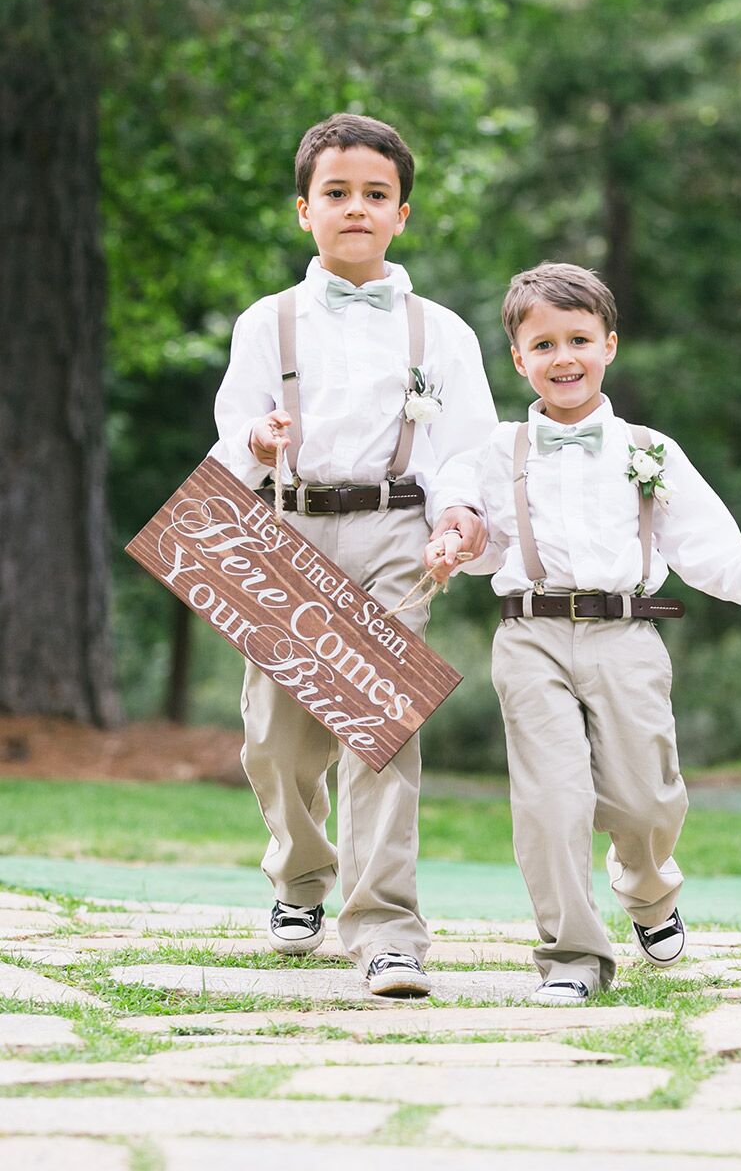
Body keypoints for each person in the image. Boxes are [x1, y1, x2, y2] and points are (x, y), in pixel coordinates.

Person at [425, 262, 741, 1004]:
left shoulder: (649, 450)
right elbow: (480, 534)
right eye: (543, 345)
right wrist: (461, 541)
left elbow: (704, 544)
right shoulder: (497, 453)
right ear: (518, 358)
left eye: (578, 340)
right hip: (530, 634)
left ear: (609, 345)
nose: (562, 358)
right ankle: (570, 955)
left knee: (648, 801)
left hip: (628, 636)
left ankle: (648, 889)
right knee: (550, 800)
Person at [210, 113, 497, 997]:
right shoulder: (268, 322)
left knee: (381, 727)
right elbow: (230, 445)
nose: (357, 209)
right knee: (277, 737)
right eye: (337, 194)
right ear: (305, 210)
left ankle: (385, 931)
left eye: (376, 195)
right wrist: (259, 442)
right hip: (287, 528)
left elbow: (466, 449)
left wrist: (458, 520)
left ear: (402, 213)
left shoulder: (441, 331)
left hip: (395, 533)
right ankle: (301, 874)